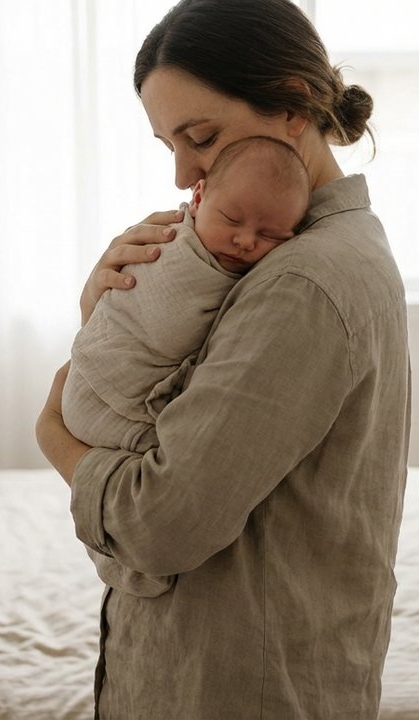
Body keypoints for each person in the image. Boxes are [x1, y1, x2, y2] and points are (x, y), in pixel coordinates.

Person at [34, 0, 411, 716]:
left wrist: (53, 433)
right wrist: (104, 311)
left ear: (293, 104)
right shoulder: (296, 256)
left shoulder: (301, 281)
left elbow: (161, 523)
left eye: (199, 136)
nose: (182, 175)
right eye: (165, 145)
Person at [64, 135, 311, 598]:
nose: (245, 240)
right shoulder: (177, 251)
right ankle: (130, 564)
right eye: (232, 219)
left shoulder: (294, 275)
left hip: (89, 392)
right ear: (197, 198)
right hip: (103, 394)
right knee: (150, 481)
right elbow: (159, 320)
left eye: (272, 235)